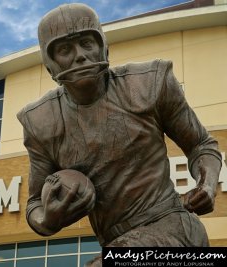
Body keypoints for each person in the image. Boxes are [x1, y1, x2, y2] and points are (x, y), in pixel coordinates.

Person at [17, 3, 222, 266]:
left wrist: (206, 184)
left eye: (86, 43)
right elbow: (34, 203)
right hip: (117, 244)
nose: (80, 56)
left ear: (104, 47)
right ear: (50, 66)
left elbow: (201, 145)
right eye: (65, 49)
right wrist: (47, 219)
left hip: (175, 227)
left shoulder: (149, 84)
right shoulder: (41, 122)